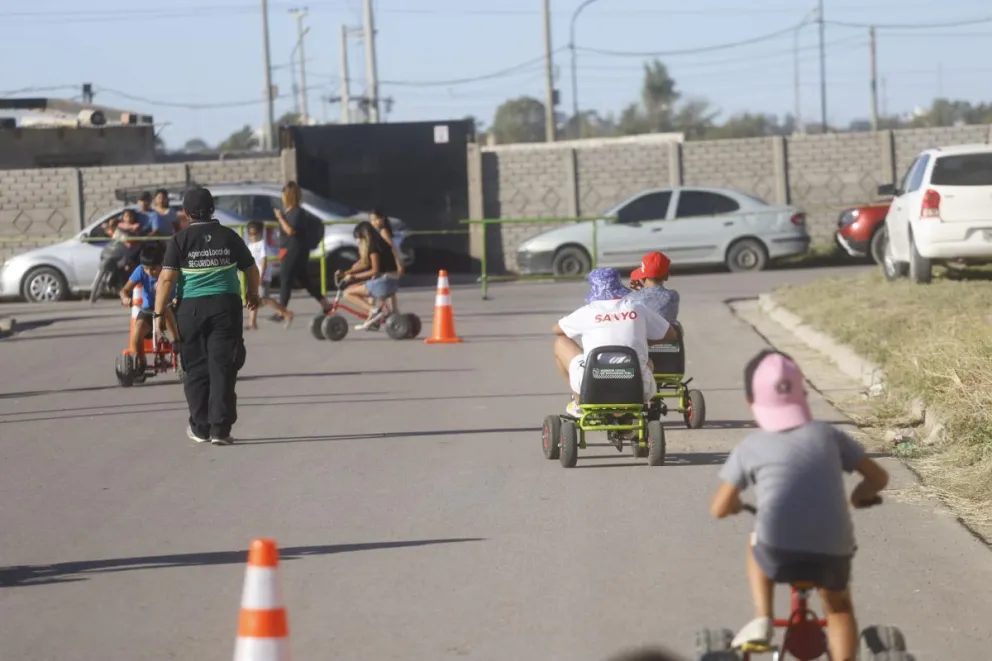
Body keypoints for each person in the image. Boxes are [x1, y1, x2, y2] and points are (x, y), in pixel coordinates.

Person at [709, 349, 890, 661]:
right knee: (838, 608)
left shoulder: (751, 446)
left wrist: (737, 505)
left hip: (778, 552)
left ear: (750, 402)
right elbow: (878, 477)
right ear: (802, 394)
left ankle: (763, 617)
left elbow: (719, 508)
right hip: (832, 549)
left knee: (755, 538)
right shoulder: (829, 435)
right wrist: (859, 496)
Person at [155, 187, 261, 446]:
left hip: (191, 310)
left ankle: (200, 427)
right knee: (223, 366)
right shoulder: (229, 237)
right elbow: (251, 269)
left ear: (186, 213)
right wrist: (253, 295)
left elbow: (167, 278)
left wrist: (159, 313)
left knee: (196, 369)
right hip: (226, 307)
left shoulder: (179, 240)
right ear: (212, 209)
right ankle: (220, 430)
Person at [553, 267, 677, 417]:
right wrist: (641, 341)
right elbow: (670, 334)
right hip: (637, 385)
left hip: (594, 384)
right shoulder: (636, 307)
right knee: (646, 361)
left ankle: (579, 400)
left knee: (561, 343)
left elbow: (557, 329)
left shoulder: (588, 311)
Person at [273, 181, 332, 315]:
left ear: (288, 196)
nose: (282, 198)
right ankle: (326, 304)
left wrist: (280, 218)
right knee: (305, 281)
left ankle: (282, 312)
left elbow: (290, 231)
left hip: (293, 250)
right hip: (292, 249)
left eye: (284, 195)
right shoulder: (290, 212)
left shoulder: (296, 212)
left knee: (285, 278)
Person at [118, 245, 179, 372]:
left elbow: (182, 288)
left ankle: (177, 343)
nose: (150, 272)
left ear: (162, 264)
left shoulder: (169, 271)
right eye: (146, 269)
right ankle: (141, 362)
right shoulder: (140, 271)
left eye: (153, 269)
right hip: (148, 311)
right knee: (137, 331)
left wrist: (177, 298)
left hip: (168, 311)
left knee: (165, 309)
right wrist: (125, 298)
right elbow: (125, 290)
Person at [337, 221, 401, 331]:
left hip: (384, 282)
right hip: (391, 281)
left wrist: (354, 277)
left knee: (347, 293)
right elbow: (364, 263)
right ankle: (372, 318)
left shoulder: (373, 247)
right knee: (356, 288)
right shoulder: (380, 243)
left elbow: (374, 270)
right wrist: (347, 273)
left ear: (364, 236)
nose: (358, 242)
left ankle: (374, 311)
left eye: (358, 239)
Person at [245, 220, 294, 330]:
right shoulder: (250, 245)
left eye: (255, 234)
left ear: (260, 233)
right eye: (250, 234)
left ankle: (286, 313)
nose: (253, 236)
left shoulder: (261, 244)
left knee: (264, 299)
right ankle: (252, 323)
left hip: (262, 277)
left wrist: (261, 276)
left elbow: (264, 261)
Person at [625, 251, 679, 324]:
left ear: (642, 277)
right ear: (666, 277)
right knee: (677, 326)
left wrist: (637, 291)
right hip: (663, 334)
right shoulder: (673, 296)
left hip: (640, 333)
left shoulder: (631, 298)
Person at [369, 208, 405, 313]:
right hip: (384, 264)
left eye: (376, 219)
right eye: (372, 220)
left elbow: (392, 248)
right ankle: (394, 311)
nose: (374, 222)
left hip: (386, 264)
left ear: (382, 219)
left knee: (373, 289)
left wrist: (398, 263)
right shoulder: (379, 232)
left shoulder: (383, 231)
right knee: (389, 290)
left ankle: (372, 313)